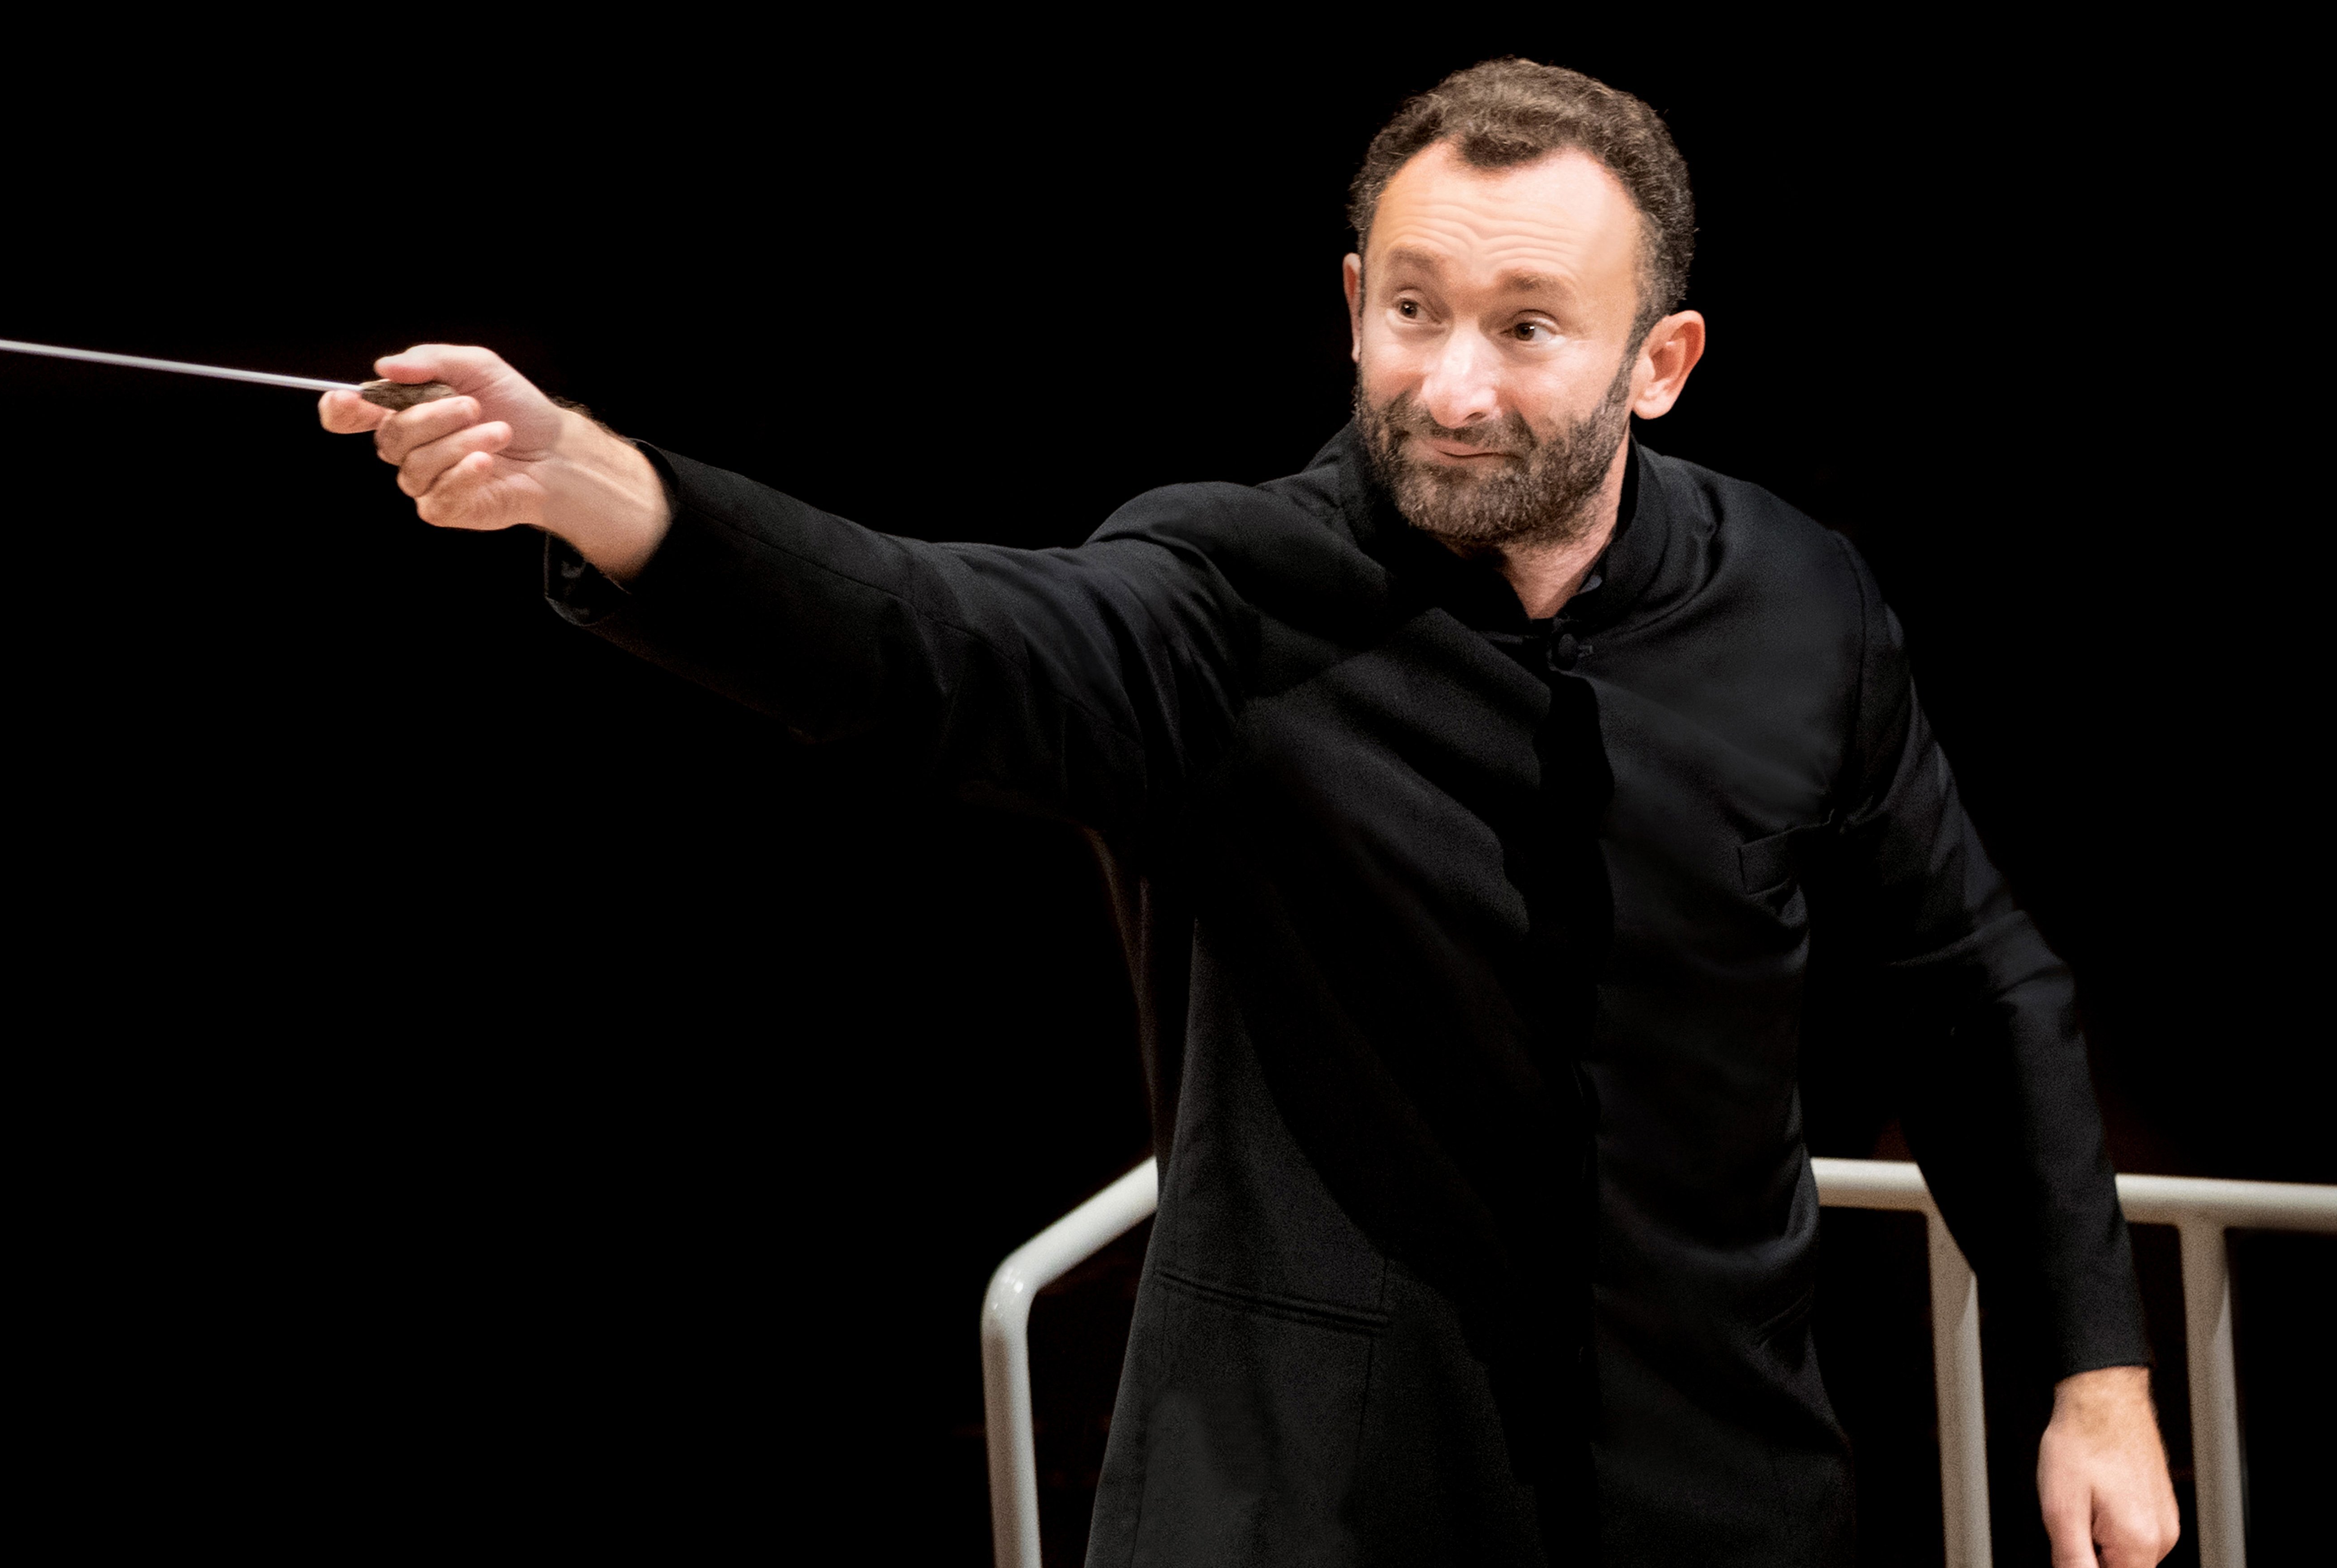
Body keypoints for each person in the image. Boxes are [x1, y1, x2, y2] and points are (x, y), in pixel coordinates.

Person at [321, 57, 2178, 1568]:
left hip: (1718, 1480)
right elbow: (937, 636)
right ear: (1356, 304)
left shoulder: (1798, 596)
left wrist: (2092, 1364)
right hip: (1312, 1496)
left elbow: (1968, 977)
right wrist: (601, 486)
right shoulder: (1228, 588)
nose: (1452, 387)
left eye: (1529, 328)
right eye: (1416, 310)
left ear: (1659, 363)